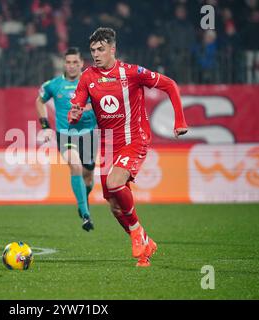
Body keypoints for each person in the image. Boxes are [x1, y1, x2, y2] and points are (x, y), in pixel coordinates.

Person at [69, 28, 188, 267]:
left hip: (135, 139)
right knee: (113, 205)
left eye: (101, 49)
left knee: (115, 183)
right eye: (92, 50)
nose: (96, 54)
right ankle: (145, 243)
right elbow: (77, 108)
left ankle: (136, 232)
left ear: (112, 49)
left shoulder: (132, 73)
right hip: (107, 144)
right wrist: (75, 114)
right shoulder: (87, 77)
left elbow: (170, 85)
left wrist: (180, 121)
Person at [36, 47, 97, 231]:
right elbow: (39, 101)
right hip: (66, 134)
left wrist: (85, 110)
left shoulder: (91, 84)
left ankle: (83, 199)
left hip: (89, 134)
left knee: (88, 177)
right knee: (75, 165)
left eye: (75, 62)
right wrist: (45, 126)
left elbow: (100, 104)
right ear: (64, 63)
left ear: (81, 64)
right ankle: (85, 214)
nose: (71, 66)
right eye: (68, 62)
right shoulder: (53, 85)